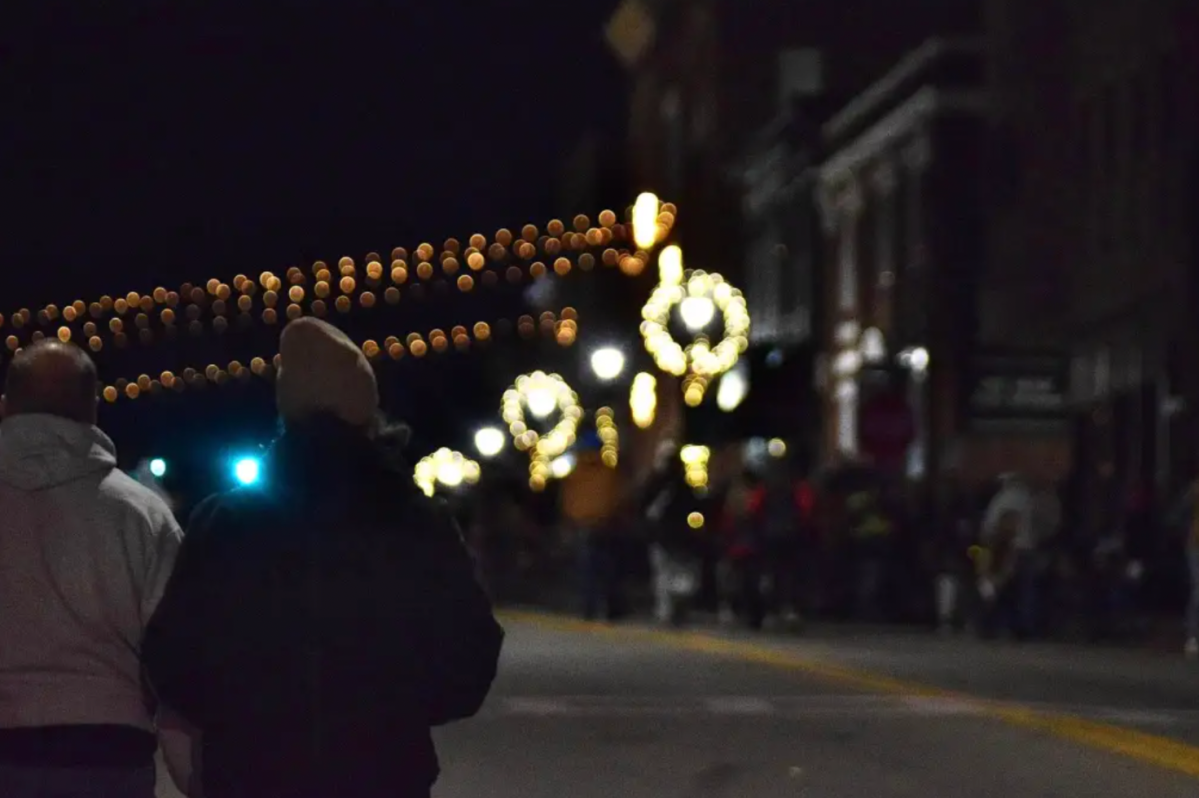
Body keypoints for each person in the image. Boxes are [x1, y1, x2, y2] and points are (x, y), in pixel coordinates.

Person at [141, 318, 504, 798]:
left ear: (285, 413)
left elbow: (173, 659)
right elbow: (469, 658)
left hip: (253, 775)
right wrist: (396, 712)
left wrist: (240, 715)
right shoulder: (417, 520)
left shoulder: (227, 520)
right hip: (383, 777)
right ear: (367, 413)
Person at [0, 341, 183, 798]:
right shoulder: (142, 514)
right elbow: (177, 646)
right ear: (93, 410)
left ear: (6, 408)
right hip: (109, 748)